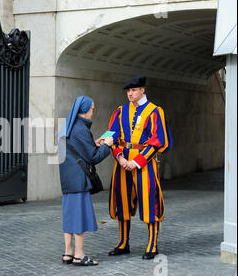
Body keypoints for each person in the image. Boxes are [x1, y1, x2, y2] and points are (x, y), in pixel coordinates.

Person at [107, 75, 172, 259]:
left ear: (143, 90)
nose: (130, 93)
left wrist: (136, 162)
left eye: (134, 90)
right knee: (122, 201)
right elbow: (111, 135)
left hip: (144, 164)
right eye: (128, 90)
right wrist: (119, 157)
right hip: (122, 162)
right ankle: (123, 242)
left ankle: (152, 244)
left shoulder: (155, 111)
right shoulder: (120, 111)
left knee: (149, 200)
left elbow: (159, 141)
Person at [58, 96, 114, 266]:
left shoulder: (67, 126)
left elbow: (78, 150)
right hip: (79, 180)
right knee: (79, 217)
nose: (93, 111)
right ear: (85, 110)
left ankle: (68, 253)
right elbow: (93, 157)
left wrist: (95, 143)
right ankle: (79, 255)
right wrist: (107, 146)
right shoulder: (81, 129)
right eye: (92, 109)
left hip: (67, 179)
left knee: (69, 217)